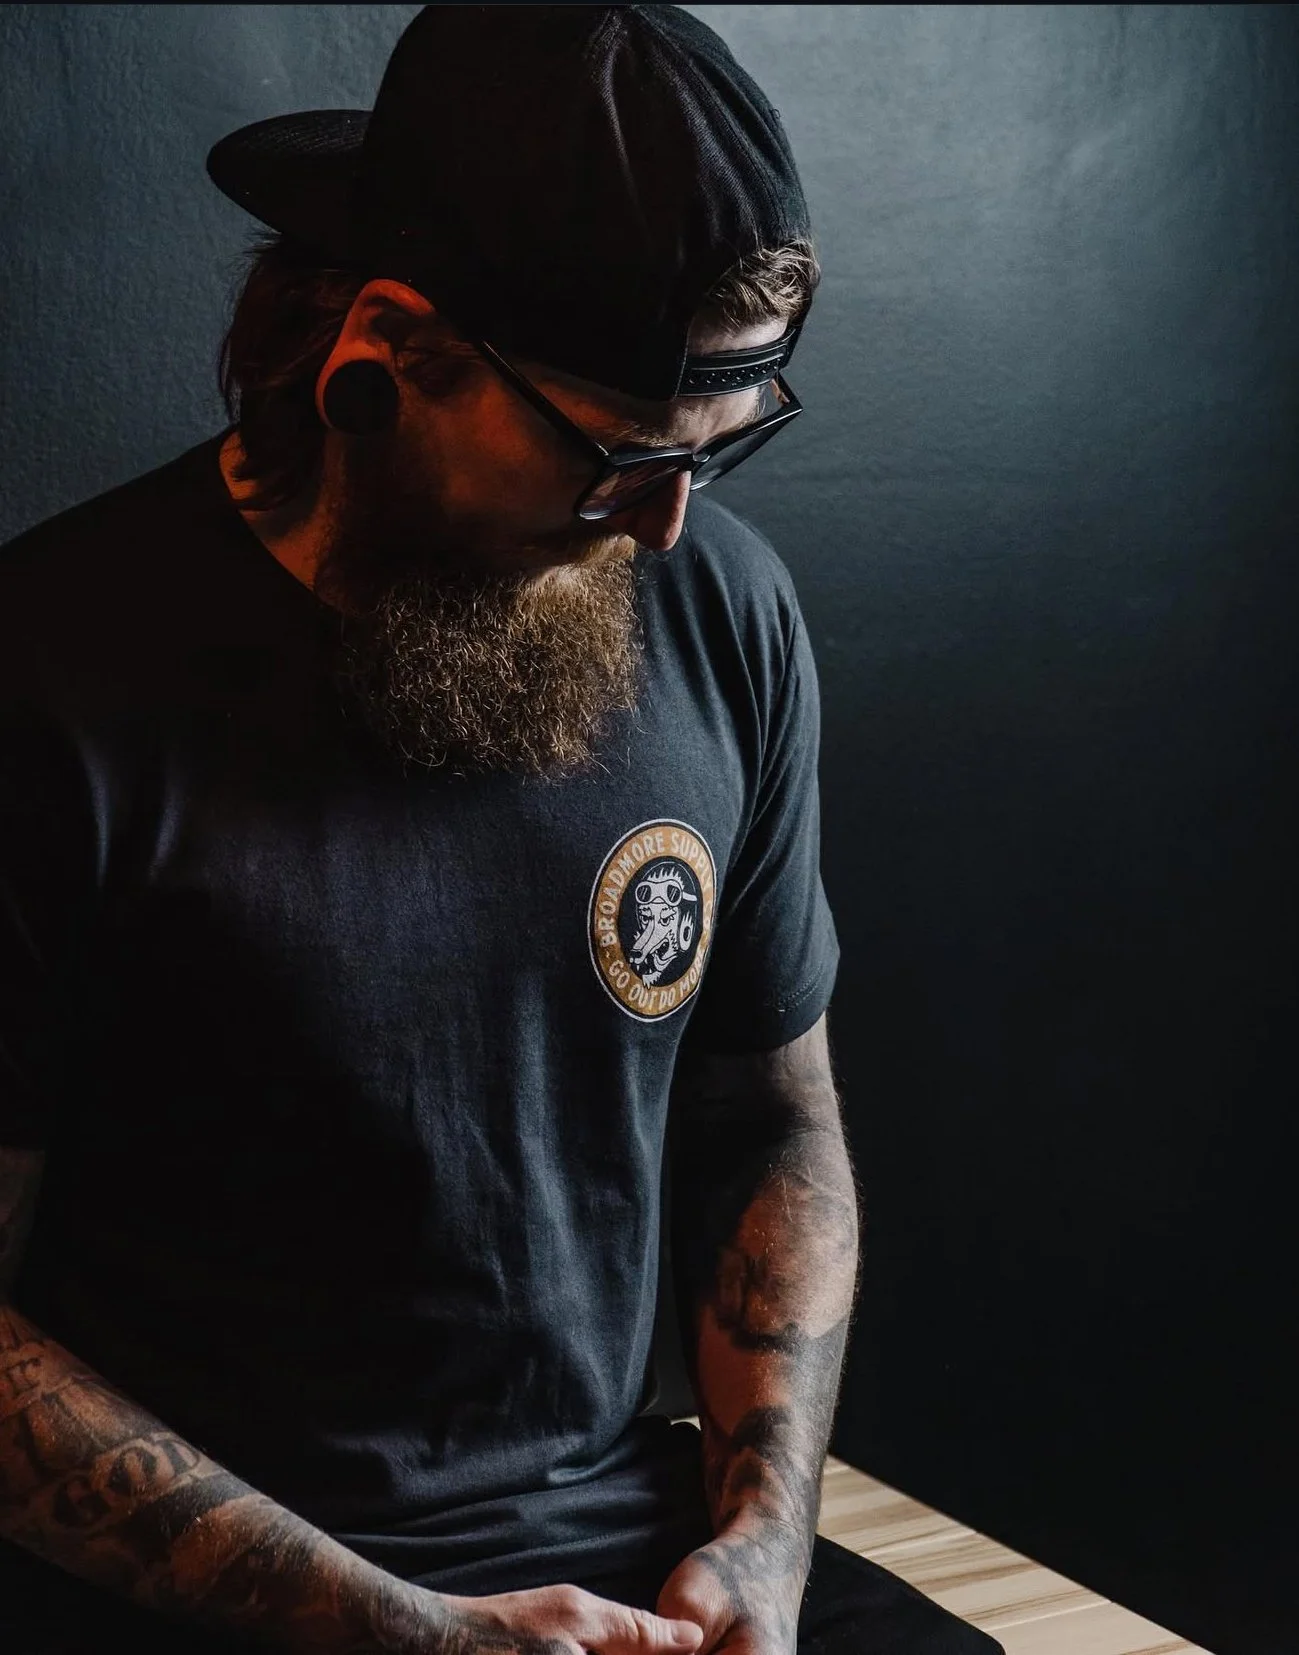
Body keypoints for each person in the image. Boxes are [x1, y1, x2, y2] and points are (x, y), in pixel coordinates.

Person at [0, 7, 1001, 1653]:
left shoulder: (723, 612)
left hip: (611, 1537)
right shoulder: (45, 680)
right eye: (614, 454)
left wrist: (761, 1540)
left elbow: (770, 1117)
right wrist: (398, 1624)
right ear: (391, 348)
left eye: (714, 454)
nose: (664, 525)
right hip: (200, 1591)